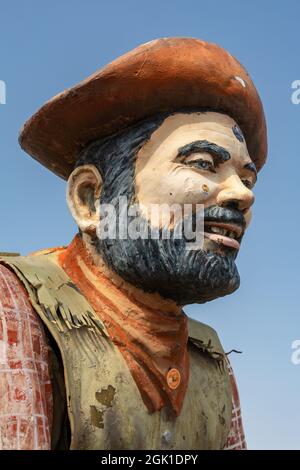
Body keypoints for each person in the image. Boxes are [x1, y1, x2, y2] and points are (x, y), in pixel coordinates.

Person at [0, 37, 267, 450]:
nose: (242, 194)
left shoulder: (209, 356)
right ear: (91, 199)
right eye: (202, 164)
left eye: (247, 179)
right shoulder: (17, 307)